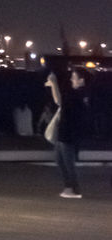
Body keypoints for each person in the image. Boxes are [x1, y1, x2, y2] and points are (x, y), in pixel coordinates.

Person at [45, 68, 87, 198]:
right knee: (60, 160)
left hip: (68, 133)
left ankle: (75, 189)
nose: (71, 79)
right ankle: (69, 187)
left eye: (74, 77)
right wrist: (53, 85)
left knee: (68, 163)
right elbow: (60, 102)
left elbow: (59, 101)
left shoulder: (79, 94)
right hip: (64, 132)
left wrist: (54, 83)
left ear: (81, 80)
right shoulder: (76, 94)